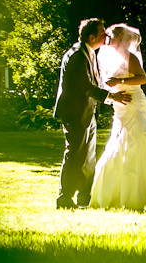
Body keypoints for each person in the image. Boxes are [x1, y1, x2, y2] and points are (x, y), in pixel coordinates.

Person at [89, 23, 146, 211]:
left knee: (139, 138)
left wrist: (120, 81)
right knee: (119, 140)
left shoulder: (130, 57)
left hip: (134, 102)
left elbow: (142, 78)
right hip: (120, 104)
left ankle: (144, 189)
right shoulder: (107, 59)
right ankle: (115, 191)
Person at [53, 18, 132, 210]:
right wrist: (111, 96)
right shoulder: (77, 56)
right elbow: (85, 86)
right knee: (75, 154)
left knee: (88, 156)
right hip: (74, 112)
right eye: (102, 32)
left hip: (86, 111)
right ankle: (64, 198)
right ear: (91, 36)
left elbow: (94, 82)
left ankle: (84, 195)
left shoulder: (87, 52)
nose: (105, 35)